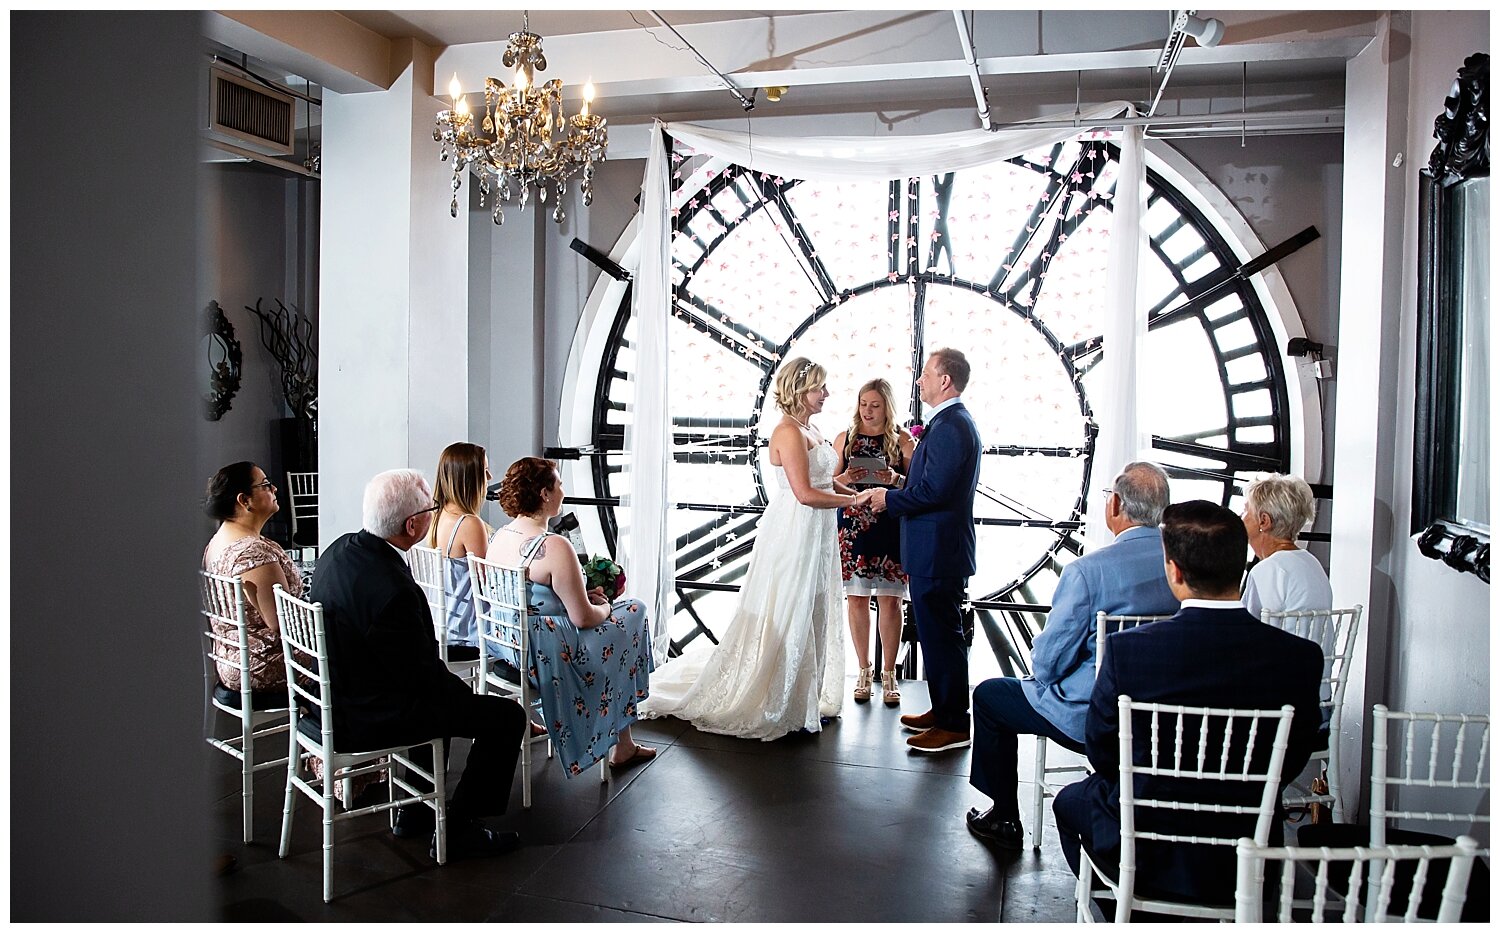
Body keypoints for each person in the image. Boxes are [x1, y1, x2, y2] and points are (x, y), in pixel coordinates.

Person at [1053, 500, 1323, 907]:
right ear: (1241, 563)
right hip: (1247, 849)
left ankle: (1124, 909)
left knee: (1069, 802)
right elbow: (1296, 754)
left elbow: (1102, 749)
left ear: (1174, 571)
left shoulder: (1129, 652)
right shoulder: (1300, 657)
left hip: (1146, 844)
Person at [309, 469, 528, 859]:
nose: (434, 512)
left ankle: (416, 813)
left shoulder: (339, 550)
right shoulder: (394, 591)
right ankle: (460, 830)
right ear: (412, 526)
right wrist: (470, 702)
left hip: (336, 695)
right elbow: (423, 678)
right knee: (507, 718)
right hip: (365, 713)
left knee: (441, 701)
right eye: (431, 508)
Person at [641, 357, 857, 740]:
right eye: (820, 387)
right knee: (792, 606)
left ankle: (802, 694)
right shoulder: (788, 432)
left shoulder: (812, 427)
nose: (826, 393)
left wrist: (847, 486)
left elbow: (821, 480)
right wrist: (855, 503)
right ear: (799, 391)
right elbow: (805, 494)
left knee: (816, 607)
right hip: (795, 531)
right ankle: (780, 697)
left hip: (817, 532)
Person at [965, 462, 1178, 849]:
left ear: (1116, 506)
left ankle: (1004, 816)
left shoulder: (1088, 571)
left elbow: (1048, 661)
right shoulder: (1182, 566)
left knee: (989, 696)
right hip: (1161, 717)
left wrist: (1044, 679)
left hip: (1092, 716)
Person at [487, 457, 656, 773]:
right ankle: (623, 743)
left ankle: (624, 741)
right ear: (544, 494)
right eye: (558, 484)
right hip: (548, 654)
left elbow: (532, 600)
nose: (562, 490)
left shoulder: (498, 537)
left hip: (509, 645)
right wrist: (604, 605)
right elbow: (584, 619)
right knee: (634, 611)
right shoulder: (552, 546)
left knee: (621, 622)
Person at [864, 348, 982, 753]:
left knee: (943, 636)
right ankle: (944, 710)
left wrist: (888, 498)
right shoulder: (950, 424)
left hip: (939, 551)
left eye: (926, 375)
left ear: (945, 380)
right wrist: (901, 481)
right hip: (936, 549)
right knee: (936, 635)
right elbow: (931, 483)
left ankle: (952, 725)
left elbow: (936, 491)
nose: (920, 382)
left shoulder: (951, 426)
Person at [832, 378, 916, 706]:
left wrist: (894, 479)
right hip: (853, 529)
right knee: (855, 600)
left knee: (891, 602)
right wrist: (847, 479)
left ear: (887, 407)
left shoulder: (903, 441)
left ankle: (890, 674)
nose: (867, 411)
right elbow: (826, 485)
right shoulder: (845, 439)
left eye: (875, 405)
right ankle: (863, 671)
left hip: (890, 528)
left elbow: (919, 489)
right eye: (863, 404)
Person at [201, 461, 301, 692]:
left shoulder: (219, 540)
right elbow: (283, 622)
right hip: (263, 664)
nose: (275, 489)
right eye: (266, 485)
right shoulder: (252, 553)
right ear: (244, 500)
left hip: (232, 658)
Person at [425, 442, 492, 660]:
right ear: (469, 478)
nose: (490, 477)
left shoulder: (435, 516)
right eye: (484, 471)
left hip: (438, 626)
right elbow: (488, 584)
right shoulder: (469, 524)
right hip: (466, 635)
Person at [1240, 473, 1332, 618]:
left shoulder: (1268, 569)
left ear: (1264, 521)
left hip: (1283, 641)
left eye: (1245, 510)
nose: (1241, 516)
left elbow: (1249, 630)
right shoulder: (1312, 562)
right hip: (1313, 642)